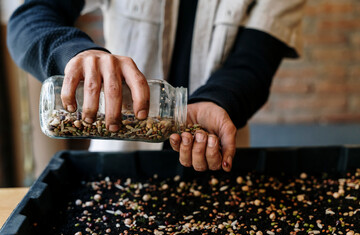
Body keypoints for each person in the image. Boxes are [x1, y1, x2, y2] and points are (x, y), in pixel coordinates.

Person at [7, 0, 305, 172]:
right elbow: (31, 17)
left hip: (214, 149)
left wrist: (218, 100)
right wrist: (73, 52)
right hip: (118, 160)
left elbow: (256, 58)